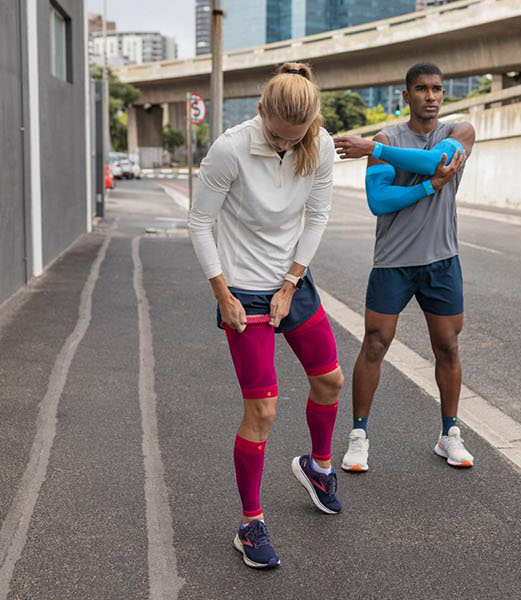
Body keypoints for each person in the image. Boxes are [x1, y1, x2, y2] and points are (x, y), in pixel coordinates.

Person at [188, 62, 342, 570]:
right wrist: (223, 294)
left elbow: (316, 216)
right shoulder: (231, 148)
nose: (283, 146)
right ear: (261, 113)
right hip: (243, 292)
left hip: (290, 282)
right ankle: (250, 524)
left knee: (331, 380)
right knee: (264, 411)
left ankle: (319, 468)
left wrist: (292, 281)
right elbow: (200, 221)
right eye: (276, 136)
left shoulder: (316, 147)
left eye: (293, 139)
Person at [331, 62, 475, 472]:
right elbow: (380, 201)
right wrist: (430, 186)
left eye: (437, 89)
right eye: (422, 89)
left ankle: (449, 434)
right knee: (375, 343)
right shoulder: (388, 135)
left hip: (442, 260)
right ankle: (359, 436)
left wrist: (373, 151)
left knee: (447, 346)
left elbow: (441, 161)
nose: (431, 96)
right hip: (393, 262)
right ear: (406, 96)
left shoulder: (459, 132)